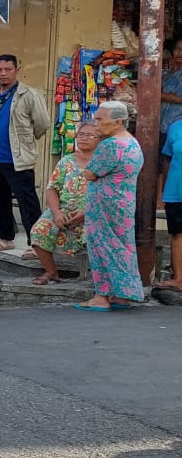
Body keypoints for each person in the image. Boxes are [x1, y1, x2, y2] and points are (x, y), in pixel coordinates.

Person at [0, 54, 52, 252]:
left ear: (16, 71)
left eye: (8, 69)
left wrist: (26, 142)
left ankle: (36, 243)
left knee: (27, 201)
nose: (3, 73)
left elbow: (42, 124)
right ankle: (5, 238)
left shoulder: (29, 95)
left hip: (18, 159)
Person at [78, 101, 145, 311]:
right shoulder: (132, 143)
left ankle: (101, 296)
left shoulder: (110, 145)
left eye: (100, 119)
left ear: (117, 122)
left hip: (104, 206)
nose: (96, 124)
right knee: (122, 248)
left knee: (102, 247)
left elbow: (90, 173)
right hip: (123, 203)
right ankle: (122, 294)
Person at [27, 125, 98, 286]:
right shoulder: (66, 161)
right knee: (39, 230)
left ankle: (100, 280)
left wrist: (86, 212)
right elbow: (52, 188)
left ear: (100, 140)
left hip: (92, 213)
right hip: (64, 211)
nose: (84, 138)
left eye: (90, 135)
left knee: (98, 235)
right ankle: (51, 272)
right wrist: (57, 212)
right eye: (81, 134)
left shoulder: (102, 164)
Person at [158, 121, 182, 291]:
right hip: (176, 189)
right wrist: (163, 190)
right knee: (177, 233)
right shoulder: (175, 127)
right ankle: (179, 279)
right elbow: (167, 159)